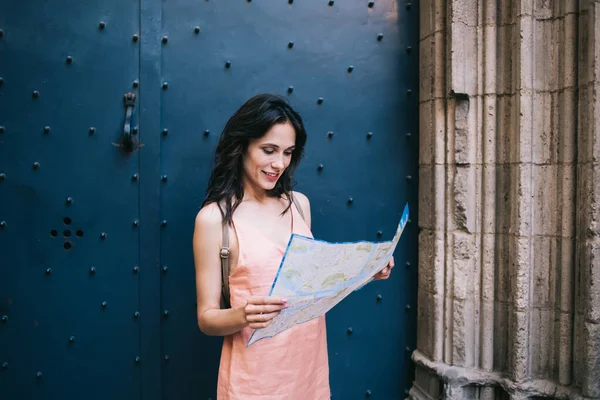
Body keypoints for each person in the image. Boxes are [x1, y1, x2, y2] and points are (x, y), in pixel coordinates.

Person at [192, 93, 395, 400]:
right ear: (242, 145)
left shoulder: (299, 206)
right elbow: (206, 318)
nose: (279, 164)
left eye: (288, 153)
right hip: (256, 380)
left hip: (307, 368)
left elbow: (312, 286)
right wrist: (243, 315)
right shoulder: (214, 219)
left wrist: (366, 269)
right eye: (269, 150)